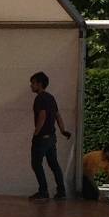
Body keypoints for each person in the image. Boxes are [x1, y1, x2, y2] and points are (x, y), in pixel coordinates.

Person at [27, 71, 72, 200]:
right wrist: (63, 130)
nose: (31, 86)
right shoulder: (51, 97)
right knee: (54, 164)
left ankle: (43, 192)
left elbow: (42, 116)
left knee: (36, 164)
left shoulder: (40, 98)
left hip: (42, 138)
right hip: (52, 138)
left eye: (33, 83)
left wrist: (36, 133)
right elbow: (57, 115)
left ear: (40, 84)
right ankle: (61, 191)